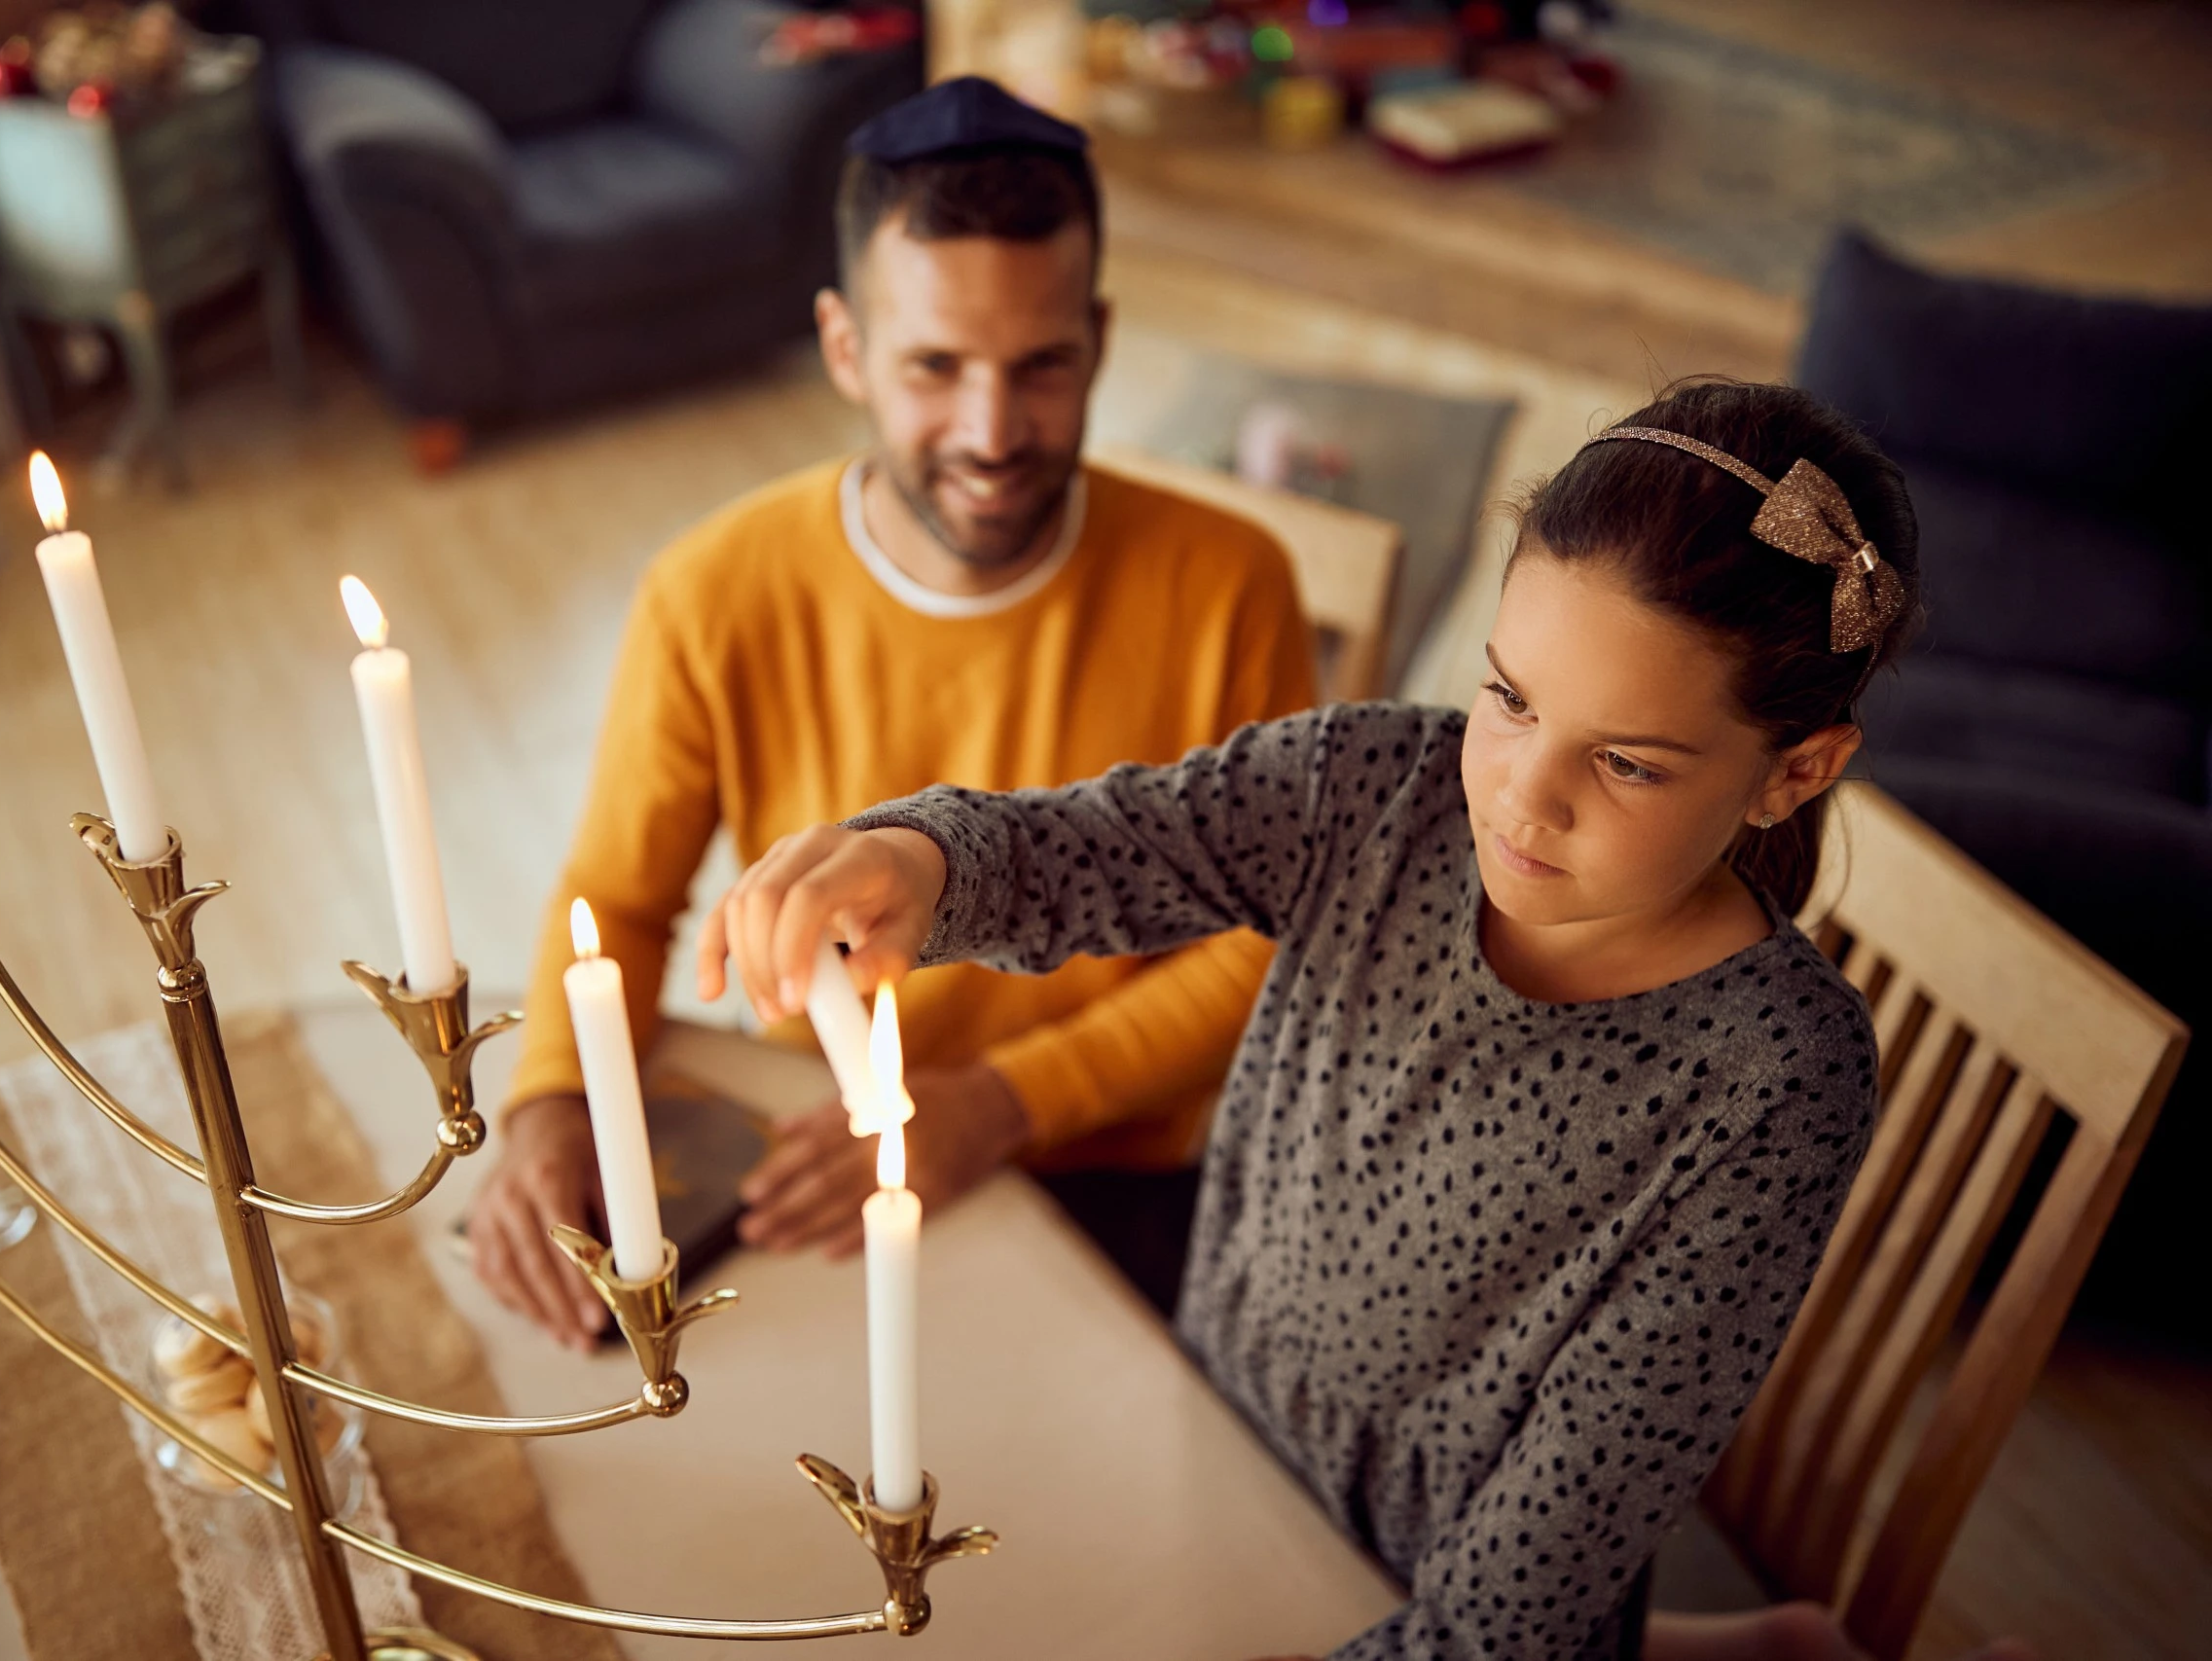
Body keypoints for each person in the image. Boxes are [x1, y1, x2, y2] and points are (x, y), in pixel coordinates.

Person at [697, 380, 2032, 1661]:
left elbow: (1564, 1530)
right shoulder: (1373, 786)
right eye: (1509, 696)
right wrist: (925, 862)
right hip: (1211, 1436)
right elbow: (1086, 850)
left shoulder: (1775, 1076)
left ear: (1793, 772)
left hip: (1439, 1604)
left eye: (1624, 761)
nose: (1520, 796)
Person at [468, 77, 1317, 1347]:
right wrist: (546, 1100)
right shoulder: (712, 589)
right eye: (934, 366)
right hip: (819, 1149)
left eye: (1042, 365)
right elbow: (618, 897)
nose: (990, 429)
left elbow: (1268, 940)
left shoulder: (1230, 580)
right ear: (845, 347)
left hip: (1121, 1166)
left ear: (1099, 337)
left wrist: (1001, 1101)